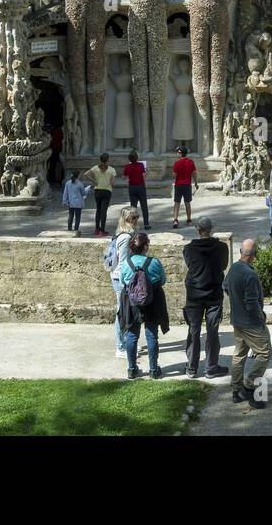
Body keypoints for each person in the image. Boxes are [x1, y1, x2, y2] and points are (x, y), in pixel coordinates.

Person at [224, 238, 271, 409]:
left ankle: (236, 391)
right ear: (254, 256)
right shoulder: (250, 275)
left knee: (239, 354)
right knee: (265, 353)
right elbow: (252, 303)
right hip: (252, 323)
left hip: (237, 321)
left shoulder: (234, 268)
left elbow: (225, 286)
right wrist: (261, 316)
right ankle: (250, 385)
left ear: (241, 253)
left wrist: (236, 302)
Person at [182, 216, 229, 379]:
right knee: (212, 330)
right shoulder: (222, 247)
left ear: (197, 229)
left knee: (194, 329)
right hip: (214, 293)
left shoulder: (188, 249)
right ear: (212, 228)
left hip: (194, 293)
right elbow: (223, 265)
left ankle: (192, 367)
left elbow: (190, 265)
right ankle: (211, 367)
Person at [119, 232, 169, 380]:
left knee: (132, 335)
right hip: (152, 301)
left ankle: (132, 369)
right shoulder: (154, 262)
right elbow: (163, 280)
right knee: (152, 334)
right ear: (145, 246)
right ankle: (153, 369)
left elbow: (123, 281)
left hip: (132, 303)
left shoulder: (127, 263)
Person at [105, 207, 140, 359]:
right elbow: (124, 263)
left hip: (121, 278)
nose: (137, 221)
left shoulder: (124, 234)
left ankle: (126, 341)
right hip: (121, 279)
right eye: (134, 218)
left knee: (125, 311)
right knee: (121, 312)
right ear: (127, 220)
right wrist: (129, 281)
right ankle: (120, 347)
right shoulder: (125, 238)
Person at [87, 153, 117, 237]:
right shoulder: (111, 170)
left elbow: (86, 174)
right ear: (108, 160)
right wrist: (112, 184)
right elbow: (112, 182)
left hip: (97, 190)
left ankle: (97, 229)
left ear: (100, 159)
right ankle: (102, 230)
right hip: (107, 191)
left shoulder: (95, 168)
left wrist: (94, 181)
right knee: (104, 211)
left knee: (98, 210)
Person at [123, 150, 150, 230]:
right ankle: (146, 224)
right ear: (137, 158)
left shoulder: (127, 167)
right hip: (141, 186)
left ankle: (133, 224)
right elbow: (144, 176)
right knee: (144, 206)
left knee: (133, 207)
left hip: (132, 187)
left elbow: (124, 177)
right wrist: (147, 170)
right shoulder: (141, 165)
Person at [171, 146, 198, 229]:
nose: (177, 154)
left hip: (179, 185)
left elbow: (174, 175)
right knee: (187, 203)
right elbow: (194, 173)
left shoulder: (177, 163)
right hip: (187, 185)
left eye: (178, 152)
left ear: (180, 153)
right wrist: (196, 183)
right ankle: (189, 219)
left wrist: (172, 173)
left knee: (177, 203)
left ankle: (175, 220)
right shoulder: (191, 162)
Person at [61, 168, 89, 234]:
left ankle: (69, 228)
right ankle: (76, 230)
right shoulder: (80, 184)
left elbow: (65, 193)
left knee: (70, 216)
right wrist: (87, 189)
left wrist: (64, 201)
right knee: (77, 217)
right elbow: (84, 193)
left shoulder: (67, 183)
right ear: (78, 175)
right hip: (78, 203)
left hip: (71, 203)